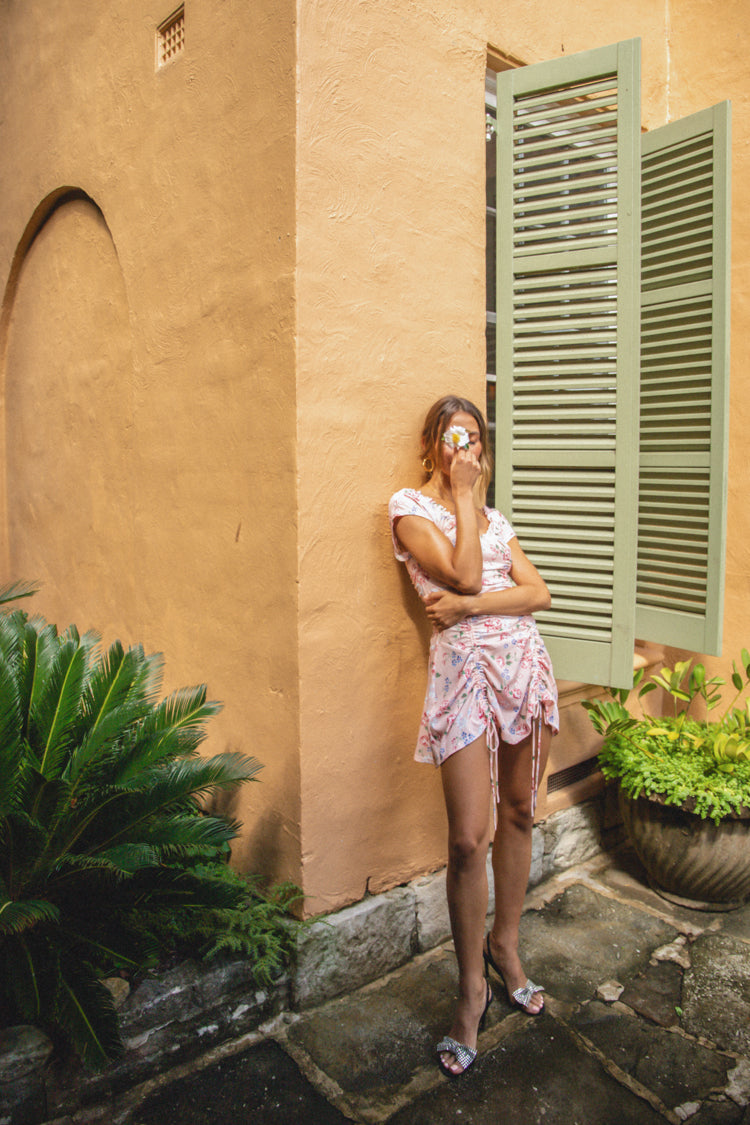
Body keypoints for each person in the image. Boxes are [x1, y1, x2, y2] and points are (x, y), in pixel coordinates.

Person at [388, 394, 559, 1078]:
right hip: (462, 675)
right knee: (468, 837)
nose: (465, 449)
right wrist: (461, 497)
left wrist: (470, 605)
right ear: (431, 446)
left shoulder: (496, 521)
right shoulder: (409, 509)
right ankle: (470, 992)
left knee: (519, 811)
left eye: (474, 438)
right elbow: (457, 570)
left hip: (523, 663)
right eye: (453, 437)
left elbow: (537, 593)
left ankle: (505, 946)